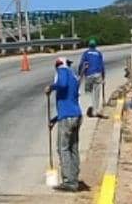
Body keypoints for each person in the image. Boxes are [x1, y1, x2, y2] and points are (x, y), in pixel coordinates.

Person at [45, 56, 83, 192]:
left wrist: (51, 87)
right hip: (76, 116)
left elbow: (62, 85)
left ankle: (69, 181)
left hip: (67, 118)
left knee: (63, 148)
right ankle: (74, 178)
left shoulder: (63, 72)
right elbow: (70, 100)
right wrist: (55, 120)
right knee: (73, 148)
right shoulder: (73, 76)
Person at [77, 38, 106, 118]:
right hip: (97, 75)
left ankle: (89, 107)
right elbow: (102, 66)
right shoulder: (99, 53)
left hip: (89, 75)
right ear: (95, 46)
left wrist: (80, 74)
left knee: (88, 91)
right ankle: (95, 110)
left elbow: (81, 64)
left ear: (89, 46)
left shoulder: (86, 53)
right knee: (96, 93)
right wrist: (103, 77)